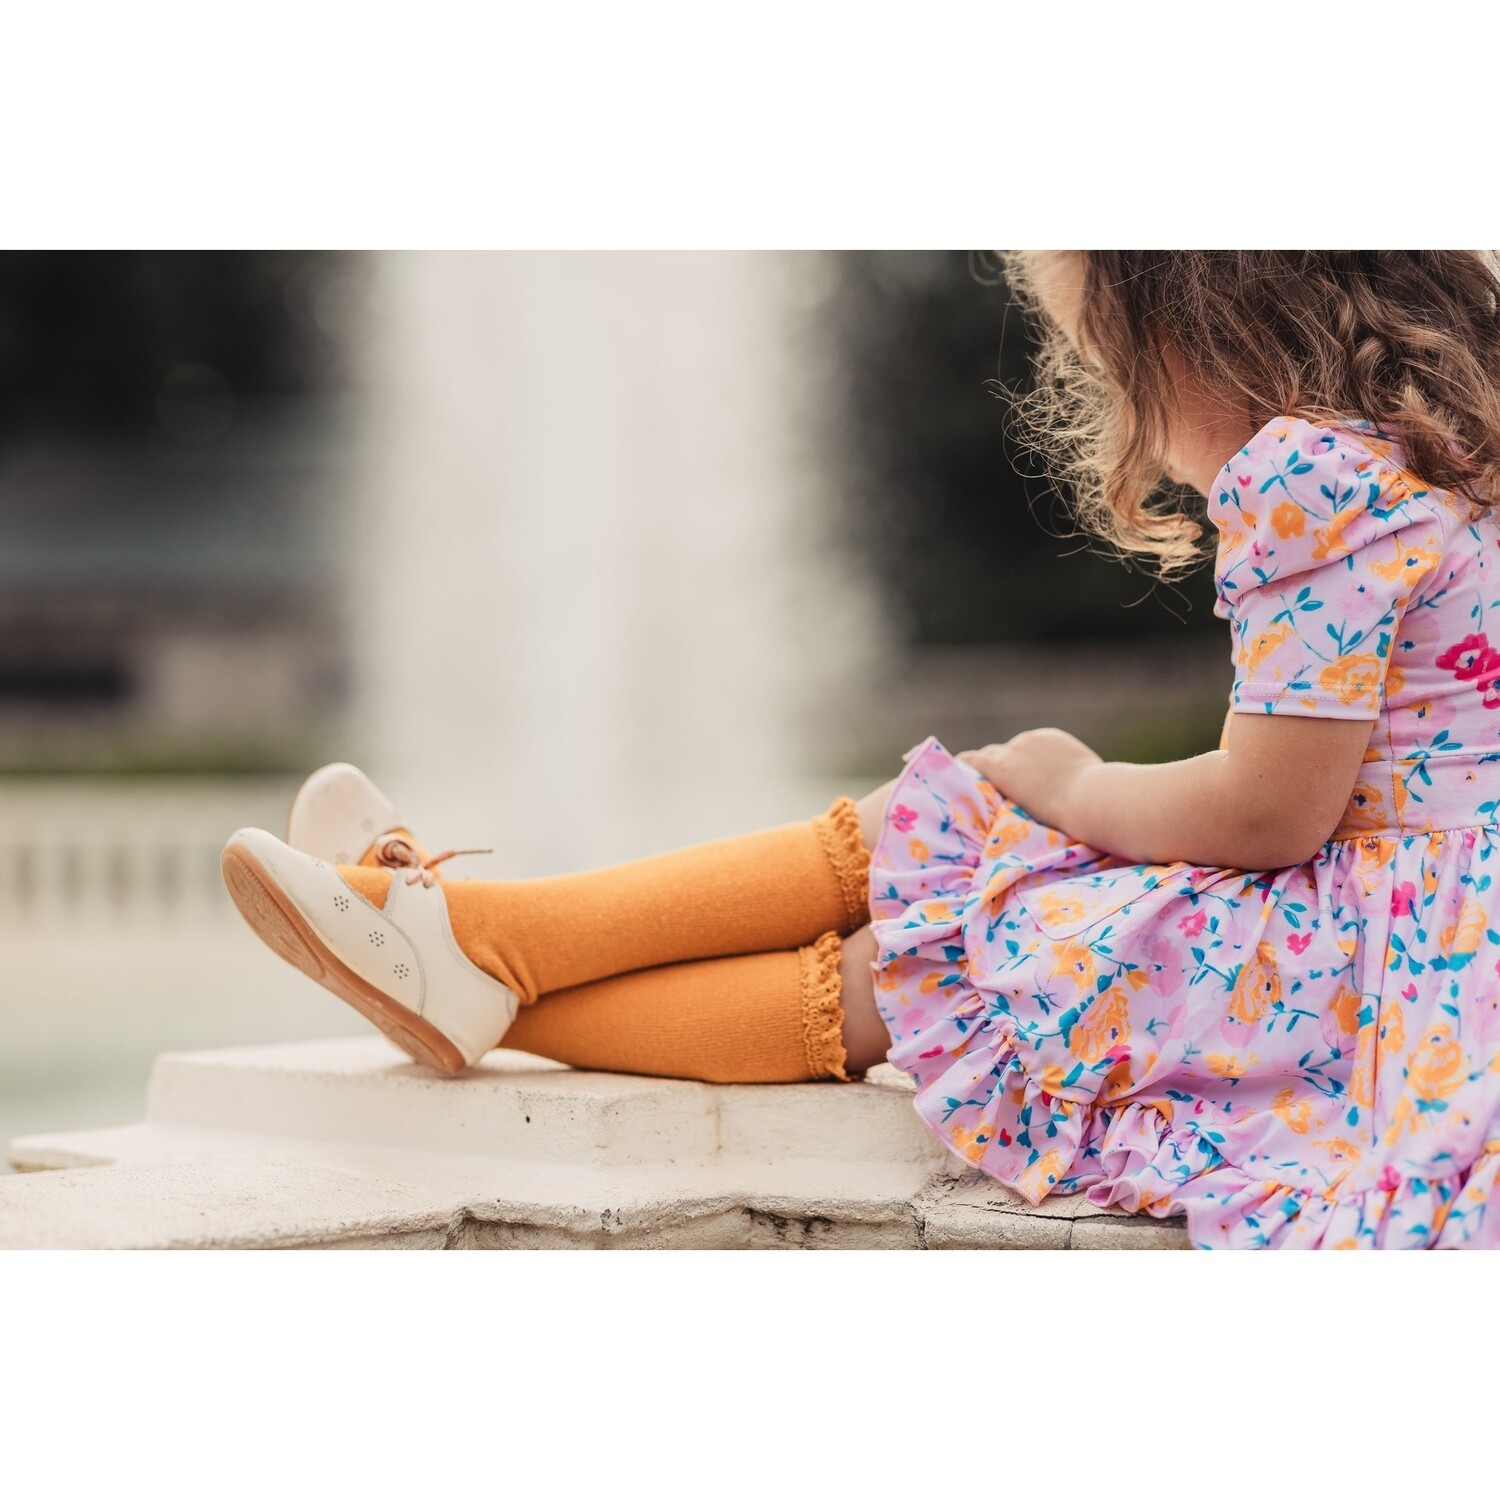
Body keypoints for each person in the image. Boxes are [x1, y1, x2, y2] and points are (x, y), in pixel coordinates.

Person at [222, 250, 1500, 1250]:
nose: (1127, 413)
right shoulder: (1451, 468)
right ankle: (476, 942)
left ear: (1193, 321)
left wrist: (1077, 786)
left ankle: (477, 944)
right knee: (950, 859)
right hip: (1431, 948)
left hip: (1372, 972)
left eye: (1112, 360)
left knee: (923, 941)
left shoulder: (1316, 479)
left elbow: (1272, 812)